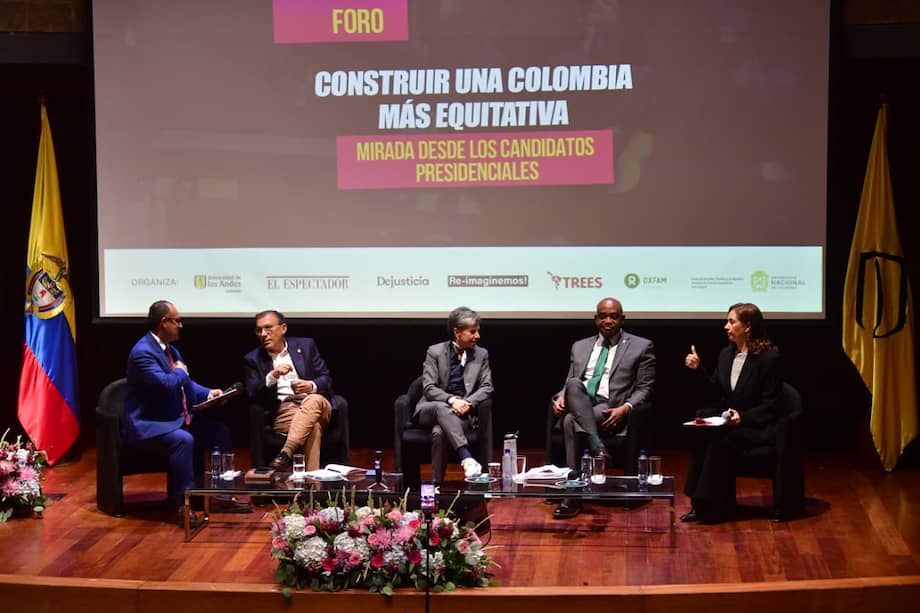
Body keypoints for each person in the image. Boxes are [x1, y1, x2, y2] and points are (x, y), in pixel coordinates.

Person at [124, 300, 246, 526]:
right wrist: (180, 373)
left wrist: (209, 393)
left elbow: (185, 382)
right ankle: (184, 507)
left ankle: (222, 495)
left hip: (175, 419)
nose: (181, 325)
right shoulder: (143, 353)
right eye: (177, 321)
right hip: (151, 424)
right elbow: (166, 383)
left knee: (220, 433)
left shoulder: (169, 348)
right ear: (164, 322)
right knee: (184, 441)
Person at [550, 297, 656, 519]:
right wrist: (560, 398)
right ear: (595, 318)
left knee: (570, 421)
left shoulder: (641, 346)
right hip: (581, 402)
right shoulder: (579, 346)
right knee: (573, 385)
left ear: (622, 319)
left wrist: (626, 408)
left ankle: (573, 494)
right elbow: (569, 381)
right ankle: (596, 447)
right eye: (603, 316)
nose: (608, 320)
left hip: (608, 407)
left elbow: (645, 389)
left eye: (613, 316)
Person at [681, 302, 783, 524]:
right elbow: (714, 391)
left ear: (747, 326)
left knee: (720, 438)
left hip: (756, 427)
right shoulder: (726, 355)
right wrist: (698, 369)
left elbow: (772, 405)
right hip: (730, 423)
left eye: (731, 321)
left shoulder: (768, 358)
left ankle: (710, 506)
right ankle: (699, 504)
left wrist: (743, 417)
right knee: (702, 431)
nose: (725, 326)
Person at [243, 310, 334, 472]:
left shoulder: (306, 346)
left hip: (318, 406)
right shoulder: (253, 359)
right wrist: (272, 375)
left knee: (314, 399)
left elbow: (326, 378)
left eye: (268, 328)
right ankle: (311, 490)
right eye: (259, 330)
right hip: (285, 411)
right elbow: (251, 393)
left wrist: (310, 386)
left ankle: (286, 452)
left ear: (283, 328)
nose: (263, 334)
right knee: (313, 428)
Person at [414, 306, 494, 483]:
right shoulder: (434, 352)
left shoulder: (481, 354)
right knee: (442, 407)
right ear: (457, 332)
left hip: (461, 414)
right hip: (431, 408)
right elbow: (428, 388)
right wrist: (451, 400)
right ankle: (466, 457)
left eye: (478, 331)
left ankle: (436, 486)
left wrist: (467, 402)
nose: (477, 336)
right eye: (472, 332)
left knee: (439, 432)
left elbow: (487, 387)